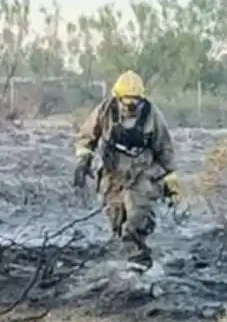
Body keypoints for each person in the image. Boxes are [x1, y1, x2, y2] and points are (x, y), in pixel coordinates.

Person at [73, 70, 181, 271]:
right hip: (112, 173)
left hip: (142, 173)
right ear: (117, 98)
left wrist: (171, 182)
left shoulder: (152, 114)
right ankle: (126, 256)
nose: (131, 106)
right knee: (116, 219)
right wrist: (83, 161)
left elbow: (165, 147)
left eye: (135, 101)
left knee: (137, 218)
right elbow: (86, 137)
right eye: (127, 101)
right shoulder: (105, 111)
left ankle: (139, 262)